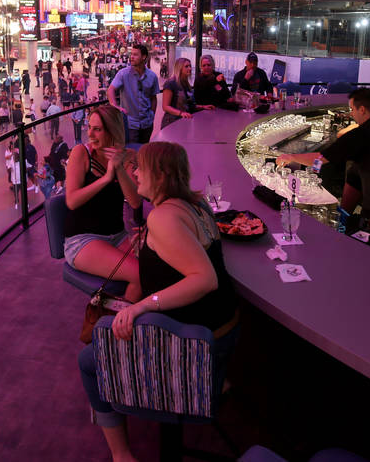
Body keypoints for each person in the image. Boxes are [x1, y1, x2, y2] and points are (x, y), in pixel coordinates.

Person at [78, 141, 238, 460]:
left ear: (161, 175)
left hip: (196, 341)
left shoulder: (163, 217)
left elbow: (205, 279)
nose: (135, 173)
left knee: (87, 361)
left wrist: (143, 304)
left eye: (141, 168)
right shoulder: (196, 203)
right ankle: (215, 377)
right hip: (224, 329)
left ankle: (121, 454)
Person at [277, 89, 370, 257]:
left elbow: (319, 160)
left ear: (362, 109)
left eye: (352, 109)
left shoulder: (360, 134)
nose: (351, 114)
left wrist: (291, 157)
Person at [63, 105, 143, 302]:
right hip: (82, 240)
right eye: (89, 127)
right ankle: (118, 328)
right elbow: (72, 201)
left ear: (112, 131)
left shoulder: (128, 157)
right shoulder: (81, 153)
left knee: (156, 267)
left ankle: (126, 318)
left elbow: (135, 201)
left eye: (97, 129)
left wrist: (119, 168)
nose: (90, 134)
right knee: (140, 274)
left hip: (118, 235)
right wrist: (107, 178)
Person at [107, 44, 160, 144]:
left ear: (144, 57)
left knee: (144, 151)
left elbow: (153, 98)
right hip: (130, 124)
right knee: (131, 153)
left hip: (147, 124)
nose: (131, 57)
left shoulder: (152, 76)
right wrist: (115, 106)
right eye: (131, 54)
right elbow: (111, 90)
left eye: (135, 55)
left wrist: (152, 115)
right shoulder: (123, 74)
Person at [161, 57, 213, 128]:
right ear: (179, 68)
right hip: (171, 123)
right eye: (186, 66)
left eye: (190, 66)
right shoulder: (171, 83)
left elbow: (189, 105)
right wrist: (181, 113)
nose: (190, 68)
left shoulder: (186, 84)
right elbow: (165, 107)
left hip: (183, 122)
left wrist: (203, 107)